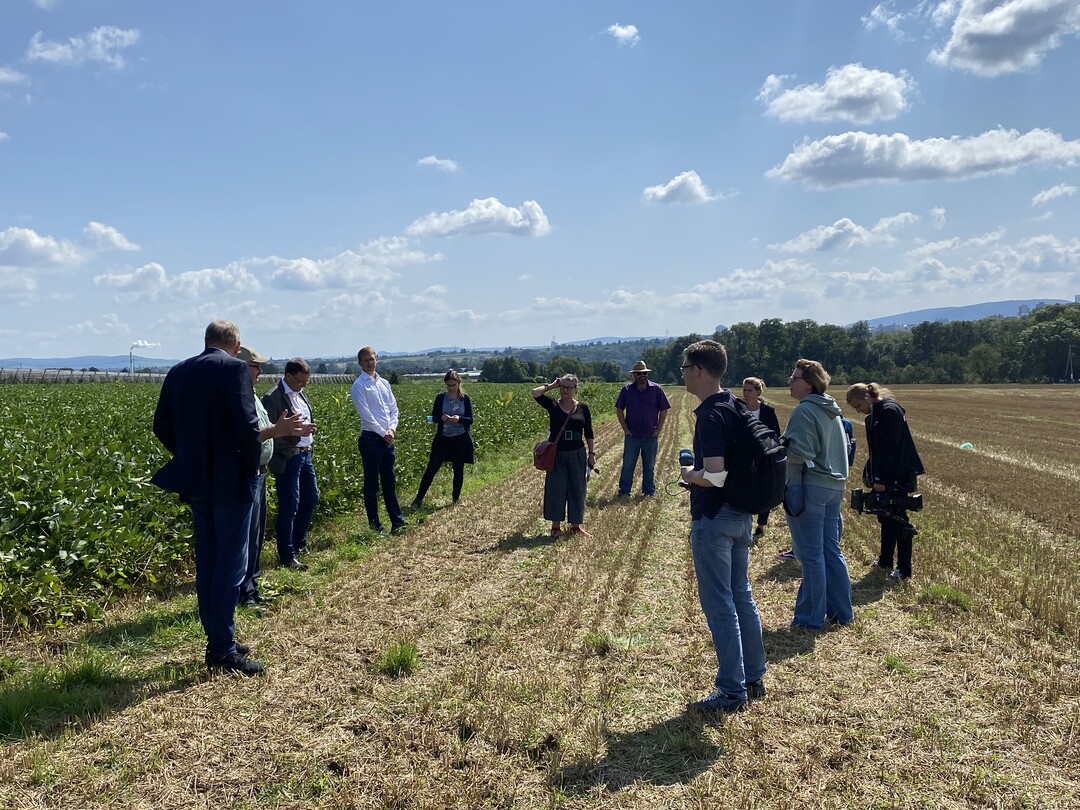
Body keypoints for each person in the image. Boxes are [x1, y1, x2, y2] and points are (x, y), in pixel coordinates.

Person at [151, 320, 265, 675]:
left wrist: (190, 456)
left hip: (197, 482)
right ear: (236, 344)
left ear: (206, 341)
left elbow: (161, 425)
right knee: (231, 566)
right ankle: (221, 650)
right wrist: (249, 466)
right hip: (231, 484)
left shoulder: (179, 371)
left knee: (209, 563)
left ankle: (219, 637)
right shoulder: (233, 369)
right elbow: (248, 428)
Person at [679, 340, 767, 714]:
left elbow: (715, 476)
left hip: (714, 519)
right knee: (741, 597)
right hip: (740, 516)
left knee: (720, 606)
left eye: (685, 367)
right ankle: (753, 676)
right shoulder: (736, 406)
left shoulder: (712, 415)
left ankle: (731, 690)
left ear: (699, 370)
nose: (682, 373)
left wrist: (688, 473)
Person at [237, 346, 311, 607]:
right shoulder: (239, 397)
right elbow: (249, 437)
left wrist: (286, 429)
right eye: (255, 366)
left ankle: (253, 588)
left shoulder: (253, 396)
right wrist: (280, 432)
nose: (260, 371)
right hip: (248, 473)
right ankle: (244, 592)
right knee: (246, 537)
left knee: (255, 536)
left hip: (260, 472)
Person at [783, 359, 853, 630]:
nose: (790, 382)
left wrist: (779, 451)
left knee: (810, 555)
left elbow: (799, 453)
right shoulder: (831, 410)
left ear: (809, 384)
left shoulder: (804, 411)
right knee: (830, 550)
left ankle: (809, 619)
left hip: (809, 485)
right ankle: (841, 612)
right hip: (834, 487)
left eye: (795, 378)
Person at [846, 382, 924, 580]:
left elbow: (890, 449)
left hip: (897, 475)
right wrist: (870, 473)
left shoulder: (889, 411)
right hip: (884, 475)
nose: (858, 411)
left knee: (899, 520)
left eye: (858, 406)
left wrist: (882, 479)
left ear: (866, 397)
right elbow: (876, 450)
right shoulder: (875, 415)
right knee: (885, 517)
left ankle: (904, 569)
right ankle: (885, 560)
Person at [262, 358, 320, 570]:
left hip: (306, 455)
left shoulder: (299, 393)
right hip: (288, 457)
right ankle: (287, 555)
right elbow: (268, 433)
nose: (302, 385)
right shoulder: (272, 398)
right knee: (289, 506)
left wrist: (307, 432)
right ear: (287, 375)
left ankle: (298, 541)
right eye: (299, 381)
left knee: (311, 498)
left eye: (305, 382)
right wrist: (294, 437)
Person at [350, 346, 407, 533]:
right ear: (359, 363)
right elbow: (366, 416)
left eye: (372, 359)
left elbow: (394, 409)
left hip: (387, 438)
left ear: (377, 359)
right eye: (365, 360)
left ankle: (397, 522)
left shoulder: (384, 383)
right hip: (371, 439)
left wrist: (391, 429)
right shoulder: (359, 386)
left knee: (390, 482)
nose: (369, 362)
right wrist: (384, 433)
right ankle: (375, 526)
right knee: (372, 485)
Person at [531, 374, 595, 537]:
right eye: (563, 387)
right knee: (556, 488)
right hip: (556, 453)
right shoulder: (553, 404)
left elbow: (588, 432)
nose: (565, 390)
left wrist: (591, 453)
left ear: (575, 390)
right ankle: (555, 528)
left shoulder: (583, 408)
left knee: (577, 488)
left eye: (568, 387)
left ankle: (575, 526)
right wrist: (552, 385)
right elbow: (535, 393)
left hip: (577, 452)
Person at [412, 370, 475, 508]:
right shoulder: (440, 398)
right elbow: (432, 418)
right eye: (449, 385)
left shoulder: (465, 399)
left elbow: (470, 420)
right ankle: (418, 499)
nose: (451, 387)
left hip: (460, 438)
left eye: (454, 385)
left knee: (458, 469)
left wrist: (459, 419)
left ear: (459, 383)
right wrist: (441, 418)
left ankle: (455, 499)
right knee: (432, 468)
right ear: (445, 385)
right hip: (443, 438)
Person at [615, 360, 670, 498]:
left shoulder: (656, 389)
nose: (642, 375)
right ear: (634, 375)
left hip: (650, 435)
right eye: (639, 373)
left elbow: (664, 410)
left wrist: (658, 430)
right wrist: (625, 429)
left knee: (649, 466)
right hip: (632, 435)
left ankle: (649, 491)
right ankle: (624, 491)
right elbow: (619, 409)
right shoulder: (626, 390)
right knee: (628, 465)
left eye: (644, 373)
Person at [739, 377, 782, 543]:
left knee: (764, 489)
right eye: (744, 390)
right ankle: (745, 523)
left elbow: (775, 434)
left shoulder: (767, 411)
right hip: (744, 457)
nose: (746, 393)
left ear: (758, 392)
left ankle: (761, 526)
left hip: (763, 458)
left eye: (749, 390)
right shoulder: (739, 409)